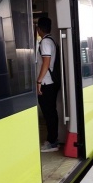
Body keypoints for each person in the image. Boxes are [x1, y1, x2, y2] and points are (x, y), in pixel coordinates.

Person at [35, 16, 59, 152]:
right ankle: (53, 140)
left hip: (46, 83)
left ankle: (52, 142)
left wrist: (39, 81)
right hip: (51, 82)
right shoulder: (51, 41)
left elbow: (46, 62)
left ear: (39, 29)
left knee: (48, 113)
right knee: (51, 112)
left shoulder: (45, 43)